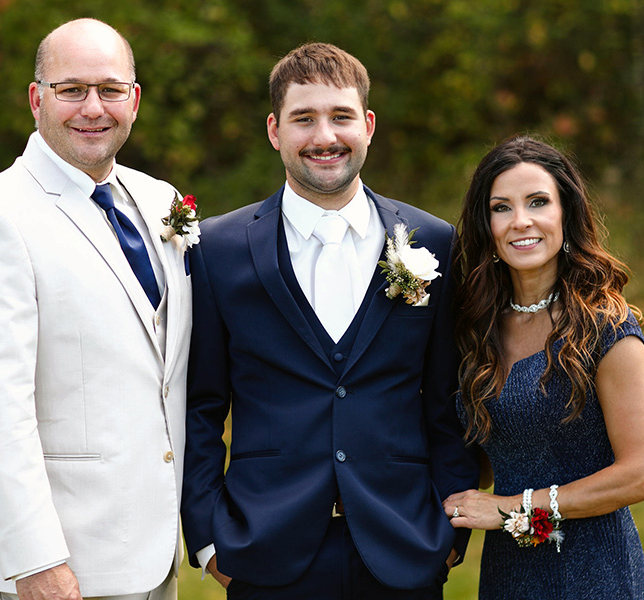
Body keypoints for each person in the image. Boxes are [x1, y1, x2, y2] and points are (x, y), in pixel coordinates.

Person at [180, 42, 479, 599]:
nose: (324, 137)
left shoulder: (432, 241)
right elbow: (200, 406)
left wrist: (449, 526)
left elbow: (446, 396)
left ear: (367, 125)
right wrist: (208, 539)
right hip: (263, 550)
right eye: (304, 119)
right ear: (274, 130)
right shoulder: (218, 248)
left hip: (403, 545)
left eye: (341, 116)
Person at [0, 18, 193, 600]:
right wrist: (37, 562)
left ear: (135, 100)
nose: (92, 108)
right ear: (36, 99)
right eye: (71, 89)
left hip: (151, 551)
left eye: (109, 89)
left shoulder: (162, 202)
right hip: (54, 566)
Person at [443, 135, 644, 599]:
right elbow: (477, 455)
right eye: (502, 207)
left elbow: (641, 474)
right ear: (486, 224)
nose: (521, 221)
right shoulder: (476, 328)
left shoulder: (605, 325)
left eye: (538, 202)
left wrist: (509, 509)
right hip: (508, 573)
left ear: (566, 214)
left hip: (595, 572)